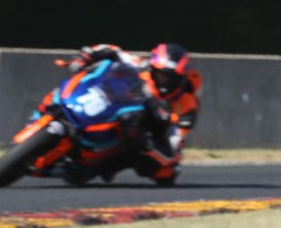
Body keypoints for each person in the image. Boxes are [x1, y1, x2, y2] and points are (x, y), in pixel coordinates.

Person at [67, 43, 203, 184]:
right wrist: (84, 56)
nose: (165, 82)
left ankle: (101, 167)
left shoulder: (186, 103)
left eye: (172, 78)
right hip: (116, 108)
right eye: (161, 75)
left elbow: (175, 142)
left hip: (145, 130)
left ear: (182, 78)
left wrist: (151, 147)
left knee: (167, 173)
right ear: (152, 68)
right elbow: (113, 51)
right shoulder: (140, 66)